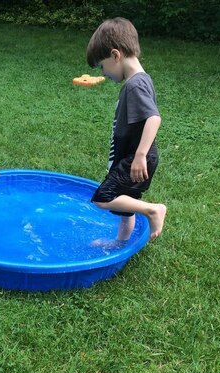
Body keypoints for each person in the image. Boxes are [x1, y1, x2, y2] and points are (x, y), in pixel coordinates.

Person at [86, 17, 167, 242]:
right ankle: (118, 244)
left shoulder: (134, 84)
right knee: (126, 204)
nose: (103, 73)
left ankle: (153, 210)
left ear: (115, 55)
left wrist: (139, 156)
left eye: (102, 66)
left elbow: (153, 118)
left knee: (102, 198)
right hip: (135, 155)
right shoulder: (141, 80)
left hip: (136, 157)